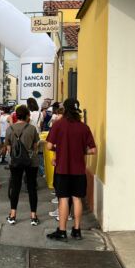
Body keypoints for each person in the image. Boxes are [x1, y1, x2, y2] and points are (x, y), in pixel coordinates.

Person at [46, 98, 96, 241]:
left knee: (63, 199)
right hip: (79, 170)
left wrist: (60, 150)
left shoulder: (58, 125)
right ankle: (77, 230)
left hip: (62, 169)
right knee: (77, 198)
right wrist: (81, 151)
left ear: (65, 110)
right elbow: (93, 150)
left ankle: (62, 232)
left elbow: (49, 146)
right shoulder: (84, 127)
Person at [4, 105, 40, 226]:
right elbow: (35, 147)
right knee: (31, 188)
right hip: (31, 161)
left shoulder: (10, 129)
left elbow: (8, 148)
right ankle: (33, 216)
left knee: (15, 186)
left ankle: (13, 214)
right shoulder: (32, 129)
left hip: (15, 162)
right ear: (27, 116)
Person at [27, 98, 45, 177]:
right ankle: (42, 171)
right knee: (39, 153)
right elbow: (41, 125)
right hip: (38, 133)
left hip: (30, 133)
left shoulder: (29, 113)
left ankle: (30, 168)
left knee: (30, 152)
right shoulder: (40, 113)